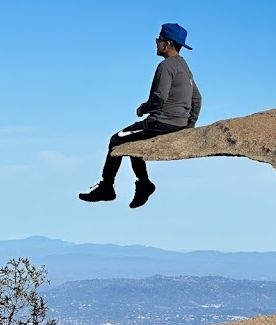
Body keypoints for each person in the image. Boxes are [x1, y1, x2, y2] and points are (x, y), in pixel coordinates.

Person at [79, 23, 201, 208]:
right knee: (134, 142)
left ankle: (107, 188)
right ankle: (143, 184)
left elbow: (160, 98)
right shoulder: (184, 67)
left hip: (161, 122)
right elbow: (197, 98)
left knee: (116, 140)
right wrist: (189, 127)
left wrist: (143, 109)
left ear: (167, 43)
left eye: (158, 40)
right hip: (179, 123)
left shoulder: (166, 66)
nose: (156, 43)